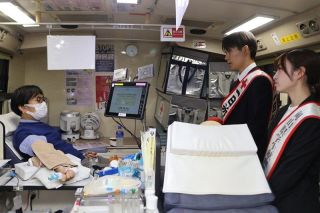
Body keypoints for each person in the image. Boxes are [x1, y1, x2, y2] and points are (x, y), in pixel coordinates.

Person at [263, 49, 320, 213]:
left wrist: (258, 198)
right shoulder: (283, 111)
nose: (275, 76)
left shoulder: (313, 119)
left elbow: (290, 171)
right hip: (274, 199)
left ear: (299, 73)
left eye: (280, 69)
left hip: (295, 204)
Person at [221, 31, 274, 161]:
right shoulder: (237, 82)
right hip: (234, 149)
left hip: (247, 154)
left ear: (245, 50)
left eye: (229, 51)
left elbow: (256, 127)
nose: (226, 57)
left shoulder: (259, 80)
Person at [10, 85, 96, 161]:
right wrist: (81, 159)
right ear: (23, 108)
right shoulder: (23, 134)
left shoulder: (39, 125)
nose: (43, 103)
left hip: (77, 160)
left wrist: (82, 155)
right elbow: (50, 157)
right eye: (38, 99)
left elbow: (59, 146)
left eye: (43, 99)